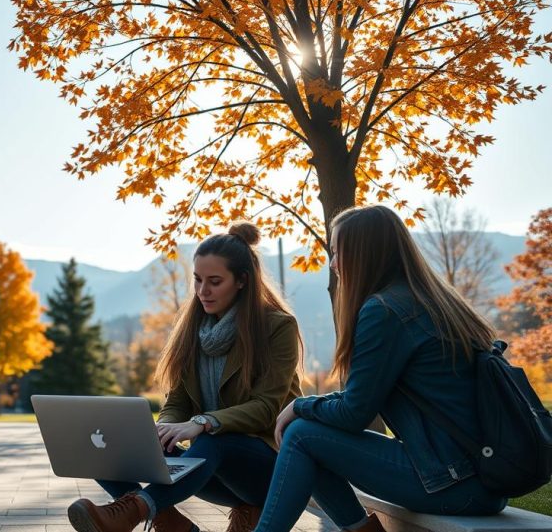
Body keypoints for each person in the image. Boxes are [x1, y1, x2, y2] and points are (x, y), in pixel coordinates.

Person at [255, 205, 509, 532]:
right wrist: (308, 408)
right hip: (481, 477)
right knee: (308, 432)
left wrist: (300, 404)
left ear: (364, 255)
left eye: (337, 253)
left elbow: (354, 413)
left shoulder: (385, 310)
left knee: (301, 434)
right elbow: (363, 395)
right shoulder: (431, 300)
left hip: (454, 481)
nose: (333, 265)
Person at [67, 223, 304, 532]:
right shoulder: (194, 328)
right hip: (214, 469)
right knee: (109, 447)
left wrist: (204, 421)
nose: (203, 291)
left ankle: (131, 513)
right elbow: (178, 400)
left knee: (213, 438)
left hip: (270, 470)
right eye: (197, 280)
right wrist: (164, 428)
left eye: (215, 282)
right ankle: (170, 523)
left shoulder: (277, 327)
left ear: (242, 281)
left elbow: (267, 407)